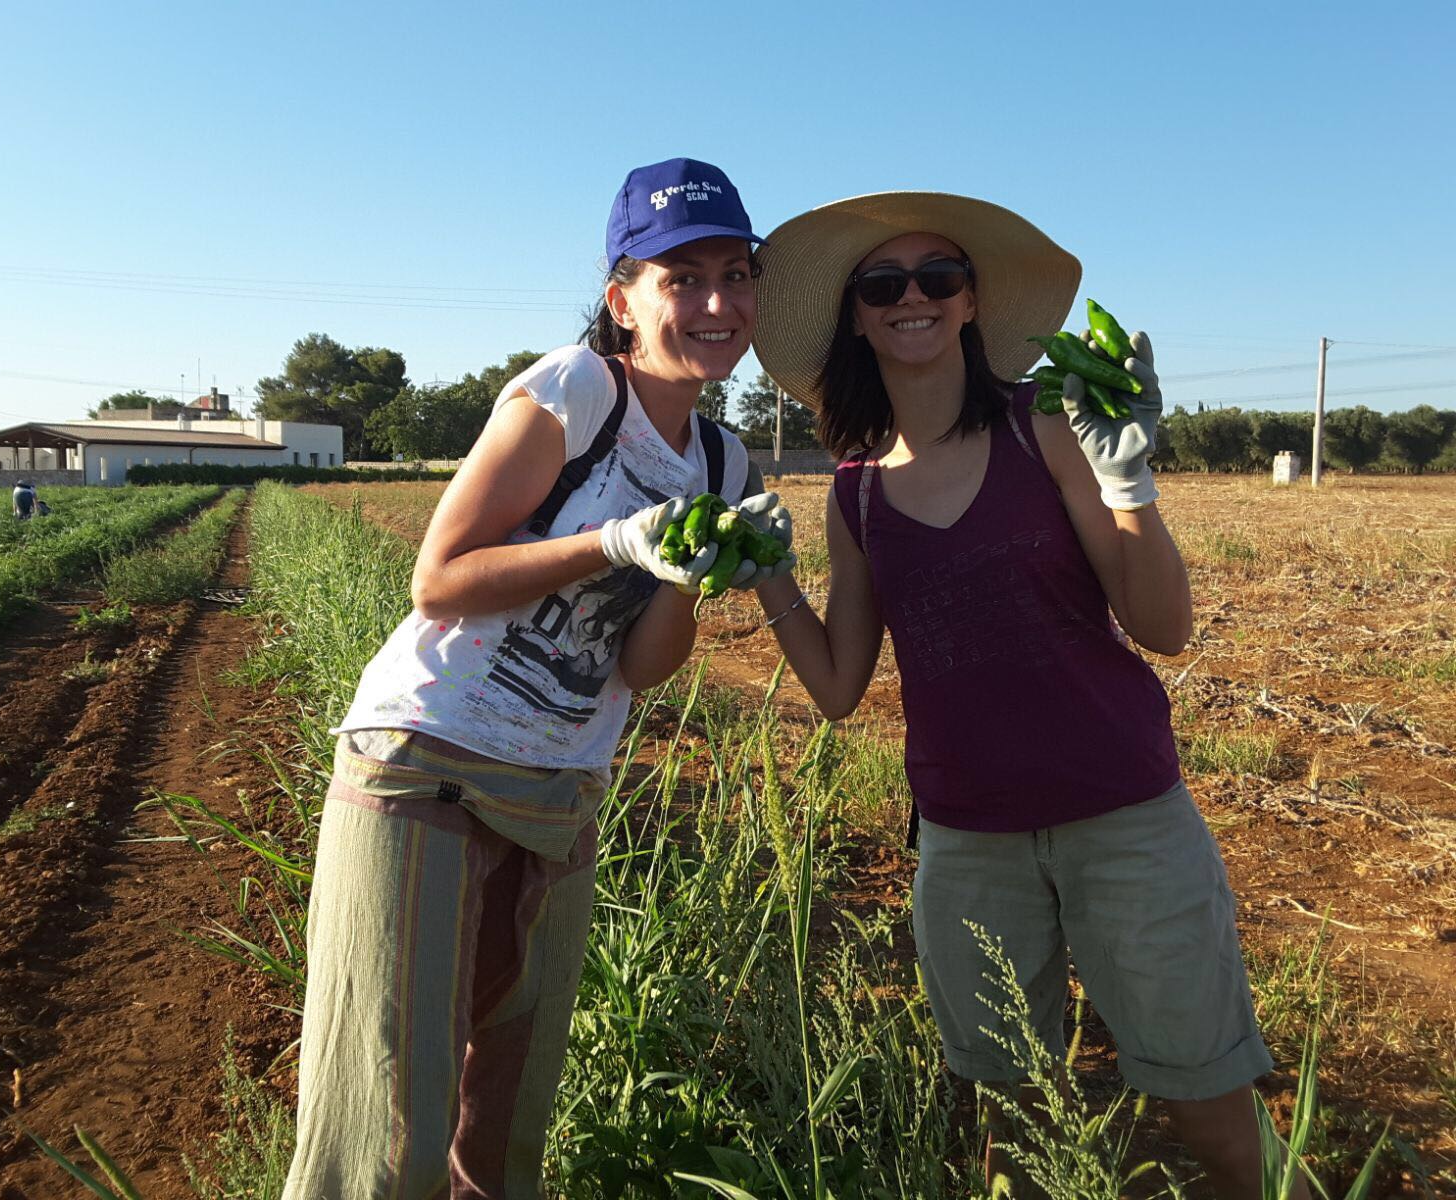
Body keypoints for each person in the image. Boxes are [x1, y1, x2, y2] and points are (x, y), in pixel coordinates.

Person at [749, 192, 1300, 1199]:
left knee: (1213, 1115)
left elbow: (1163, 629)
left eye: (937, 278)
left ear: (970, 304)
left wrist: (1130, 483)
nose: (911, 296)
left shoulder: (1042, 423)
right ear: (858, 318)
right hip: (967, 844)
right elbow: (836, 687)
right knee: (1015, 1128)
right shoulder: (857, 490)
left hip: (1123, 819)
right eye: (882, 285)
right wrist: (767, 575)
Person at [281, 158, 793, 1200]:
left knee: (505, 1135)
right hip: (428, 765)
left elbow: (640, 669)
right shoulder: (575, 389)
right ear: (622, 299)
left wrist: (687, 577)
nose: (713, 302)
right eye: (678, 276)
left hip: (561, 794)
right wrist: (612, 540)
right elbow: (441, 579)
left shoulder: (726, 464)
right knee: (384, 1139)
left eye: (734, 274)